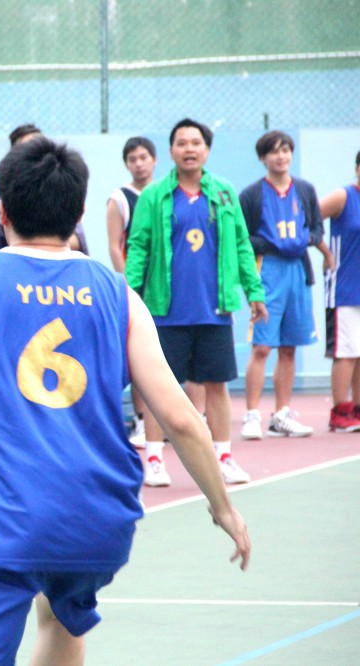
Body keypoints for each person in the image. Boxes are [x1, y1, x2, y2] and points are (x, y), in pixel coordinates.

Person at [0, 137, 251, 665]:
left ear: (3, 212)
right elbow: (180, 417)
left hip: (4, 521)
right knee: (63, 619)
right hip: (97, 521)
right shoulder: (119, 296)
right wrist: (223, 506)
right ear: (79, 212)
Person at [125, 118, 268, 488]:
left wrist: (253, 292)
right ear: (171, 151)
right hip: (165, 311)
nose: (189, 149)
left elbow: (241, 244)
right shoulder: (154, 196)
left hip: (214, 310)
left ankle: (223, 457)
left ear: (206, 149)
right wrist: (128, 294)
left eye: (196, 142)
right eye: (182, 143)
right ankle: (154, 459)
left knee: (217, 384)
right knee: (160, 387)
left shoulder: (224, 192)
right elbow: (138, 247)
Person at [240, 131, 331, 439]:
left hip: (297, 271)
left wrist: (305, 239)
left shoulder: (304, 190)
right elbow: (243, 237)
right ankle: (251, 415)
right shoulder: (252, 194)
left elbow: (316, 229)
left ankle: (281, 414)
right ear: (263, 158)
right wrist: (271, 243)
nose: (281, 156)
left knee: (289, 346)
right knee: (262, 347)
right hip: (268, 270)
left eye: (286, 150)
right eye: (274, 152)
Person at [105, 136, 157, 448]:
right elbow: (114, 246)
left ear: (154, 160)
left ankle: (173, 417)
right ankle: (140, 419)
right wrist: (128, 285)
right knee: (139, 352)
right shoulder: (120, 199)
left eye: (143, 157)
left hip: (164, 287)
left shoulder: (164, 193)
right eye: (132, 159)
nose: (138, 163)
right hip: (137, 288)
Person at [0, 123, 89, 256]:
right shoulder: (6, 197)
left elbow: (79, 239)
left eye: (40, 144)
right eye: (29, 146)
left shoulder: (63, 188)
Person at [319, 150, 360, 432]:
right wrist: (325, 251)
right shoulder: (343, 196)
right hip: (344, 288)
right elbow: (308, 219)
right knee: (345, 352)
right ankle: (340, 412)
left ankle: (356, 408)